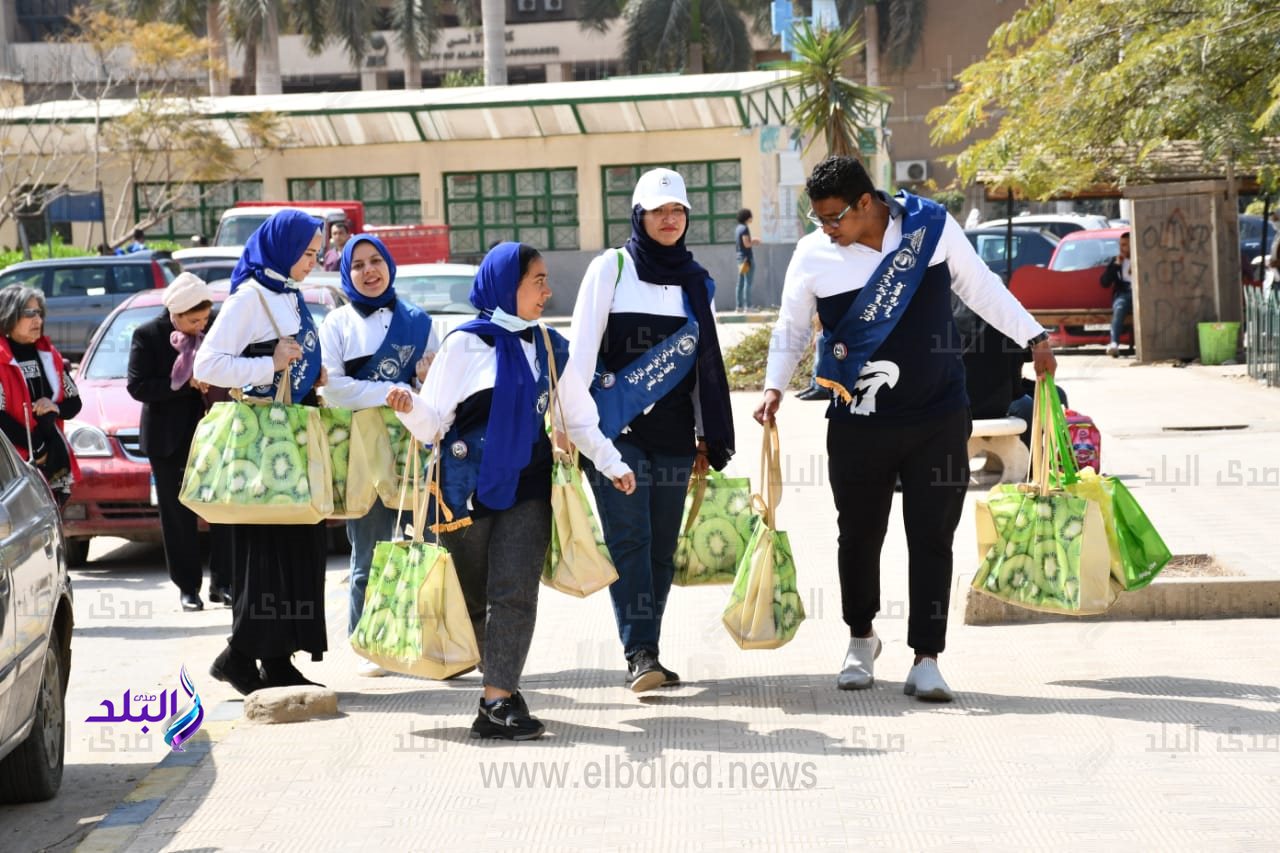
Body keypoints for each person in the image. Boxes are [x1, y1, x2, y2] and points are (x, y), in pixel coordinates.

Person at [754, 156, 1056, 702]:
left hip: (937, 414)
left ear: (866, 203)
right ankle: (860, 638)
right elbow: (793, 324)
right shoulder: (814, 254)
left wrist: (1033, 336)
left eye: (834, 217)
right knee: (859, 534)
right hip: (858, 419)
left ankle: (927, 656)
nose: (826, 227)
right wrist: (775, 385)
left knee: (932, 536)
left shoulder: (930, 229)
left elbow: (981, 289)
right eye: (819, 218)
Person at [386, 242, 635, 740]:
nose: (547, 290)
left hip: (528, 488)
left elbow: (579, 416)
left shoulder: (547, 345)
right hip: (462, 493)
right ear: (506, 284)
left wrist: (612, 463)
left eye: (545, 280)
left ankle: (497, 699)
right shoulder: (463, 344)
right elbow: (433, 424)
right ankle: (499, 681)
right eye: (537, 280)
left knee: (515, 594)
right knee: (474, 598)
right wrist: (406, 405)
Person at [569, 167, 736, 693]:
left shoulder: (696, 282)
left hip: (674, 437)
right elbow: (580, 355)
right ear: (638, 216)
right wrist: (567, 425)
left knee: (662, 547)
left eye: (678, 211)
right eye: (659, 211)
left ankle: (651, 651)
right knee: (630, 539)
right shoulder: (611, 269)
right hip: (614, 433)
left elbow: (705, 365)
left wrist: (709, 435)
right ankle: (638, 651)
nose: (670, 220)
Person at [194, 209, 330, 695]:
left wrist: (311, 370)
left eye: (317, 253)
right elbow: (208, 364)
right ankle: (240, 656)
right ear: (281, 248)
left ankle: (278, 659)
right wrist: (266, 364)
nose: (313, 262)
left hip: (293, 433)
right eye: (307, 253)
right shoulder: (250, 298)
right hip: (266, 441)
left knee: (301, 551)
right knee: (267, 554)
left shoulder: (287, 293)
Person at [318, 233, 439, 676]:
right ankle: (368, 643)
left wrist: (420, 385)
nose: (369, 271)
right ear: (346, 273)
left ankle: (426, 639)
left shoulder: (420, 322)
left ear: (389, 265)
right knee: (368, 553)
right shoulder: (337, 325)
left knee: (425, 548)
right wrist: (391, 391)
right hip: (362, 456)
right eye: (358, 265)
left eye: (376, 261)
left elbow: (439, 391)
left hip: (414, 450)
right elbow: (333, 389)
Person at [127, 273, 233, 612]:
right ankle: (188, 587)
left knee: (224, 509)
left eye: (204, 318)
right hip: (168, 439)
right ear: (175, 313)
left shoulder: (216, 327)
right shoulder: (148, 335)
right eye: (193, 320)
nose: (200, 324)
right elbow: (138, 386)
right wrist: (184, 384)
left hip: (215, 433)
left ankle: (224, 583)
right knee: (177, 517)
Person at [0, 285, 81, 509]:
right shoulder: (1, 359)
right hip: (11, 467)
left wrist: (54, 406)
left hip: (52, 462)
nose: (37, 319)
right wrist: (38, 449)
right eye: (29, 313)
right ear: (8, 315)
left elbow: (74, 402)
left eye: (39, 313)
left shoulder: (49, 355)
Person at [1099, 230, 1132, 357]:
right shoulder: (1117, 261)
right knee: (1119, 307)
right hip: (1124, 293)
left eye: (1124, 245)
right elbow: (1104, 283)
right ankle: (1114, 344)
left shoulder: (1141, 258)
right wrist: (1116, 265)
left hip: (1140, 293)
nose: (1121, 248)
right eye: (1120, 245)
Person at [734, 208, 755, 312]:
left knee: (740, 282)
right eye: (751, 216)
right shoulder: (745, 228)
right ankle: (749, 306)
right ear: (747, 217)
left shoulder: (738, 228)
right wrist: (754, 241)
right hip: (747, 259)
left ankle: (739, 306)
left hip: (739, 258)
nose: (752, 218)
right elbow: (746, 243)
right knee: (748, 282)